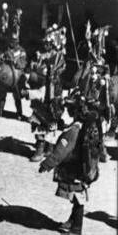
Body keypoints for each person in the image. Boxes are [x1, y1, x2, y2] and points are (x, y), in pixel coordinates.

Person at [38, 92, 103, 235]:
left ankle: (76, 228)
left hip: (75, 170)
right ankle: (71, 222)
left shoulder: (74, 130)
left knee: (77, 199)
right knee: (77, 198)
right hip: (86, 168)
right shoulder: (85, 127)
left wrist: (47, 164)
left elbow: (61, 150)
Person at [30, 27, 67, 161]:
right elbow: (34, 67)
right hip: (41, 88)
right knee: (38, 117)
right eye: (44, 42)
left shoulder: (58, 56)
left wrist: (53, 73)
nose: (46, 45)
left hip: (53, 89)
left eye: (48, 43)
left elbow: (62, 67)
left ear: (52, 43)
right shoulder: (41, 55)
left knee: (52, 117)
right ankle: (40, 147)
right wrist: (36, 65)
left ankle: (49, 148)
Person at [0, 34, 27, 119]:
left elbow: (23, 63)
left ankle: (19, 113)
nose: (12, 42)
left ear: (17, 41)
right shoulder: (7, 50)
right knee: (2, 93)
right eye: (11, 41)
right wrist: (3, 59)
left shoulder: (21, 51)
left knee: (17, 94)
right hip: (7, 74)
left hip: (17, 75)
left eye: (14, 41)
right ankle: (0, 110)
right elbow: (1, 58)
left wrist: (15, 62)